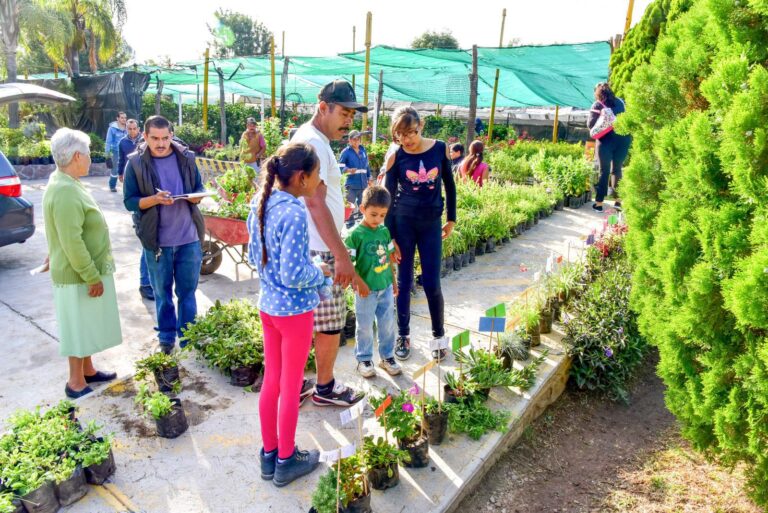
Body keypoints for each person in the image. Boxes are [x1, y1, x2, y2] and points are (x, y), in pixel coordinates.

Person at [247, 143, 327, 487]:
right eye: (317, 175)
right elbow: (294, 274)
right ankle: (286, 459)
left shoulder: (261, 203)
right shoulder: (293, 212)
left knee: (273, 382)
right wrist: (320, 272)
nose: (319, 181)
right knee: (291, 386)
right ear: (301, 177)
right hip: (294, 313)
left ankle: (269, 455)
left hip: (268, 306)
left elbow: (256, 257)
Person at [292, 80, 366, 407]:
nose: (349, 121)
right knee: (329, 323)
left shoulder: (314, 140)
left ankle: (296, 385)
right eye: (345, 113)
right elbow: (314, 203)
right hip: (319, 248)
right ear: (323, 107)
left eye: (353, 114)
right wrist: (341, 256)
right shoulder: (314, 143)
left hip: (312, 243)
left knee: (304, 321)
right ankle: (324, 388)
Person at [43, 128, 121, 398]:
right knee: (77, 326)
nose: (90, 159)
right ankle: (75, 381)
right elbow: (71, 241)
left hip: (80, 269)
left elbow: (60, 232)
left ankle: (88, 369)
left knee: (86, 322)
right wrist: (91, 276)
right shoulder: (64, 189)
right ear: (77, 156)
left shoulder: (67, 181)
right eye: (88, 154)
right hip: (76, 274)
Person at [123, 115, 205, 354]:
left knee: (187, 293)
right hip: (157, 242)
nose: (161, 144)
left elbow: (198, 188)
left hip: (188, 238)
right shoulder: (136, 164)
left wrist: (197, 196)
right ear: (145, 136)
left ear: (171, 135)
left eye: (165, 138)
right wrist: (154, 200)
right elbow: (129, 202)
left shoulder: (186, 158)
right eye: (155, 139)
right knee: (162, 294)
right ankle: (167, 338)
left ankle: (189, 339)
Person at [383, 107, 457, 362]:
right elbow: (387, 199)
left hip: (431, 225)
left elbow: (449, 183)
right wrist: (390, 236)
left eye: (411, 132)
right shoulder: (396, 156)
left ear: (421, 126)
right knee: (404, 284)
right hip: (403, 225)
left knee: (432, 283)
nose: (407, 140)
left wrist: (451, 218)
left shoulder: (439, 149)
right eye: (401, 135)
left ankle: (438, 336)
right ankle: (403, 335)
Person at [345, 186, 401, 378]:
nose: (377, 219)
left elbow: (389, 258)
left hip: (385, 288)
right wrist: (359, 282)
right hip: (365, 291)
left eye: (382, 215)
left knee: (387, 324)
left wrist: (393, 281)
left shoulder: (384, 232)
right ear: (362, 209)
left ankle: (387, 357)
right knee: (365, 326)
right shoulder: (354, 235)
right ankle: (364, 358)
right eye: (373, 214)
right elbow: (348, 264)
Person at [117, 119, 154, 301]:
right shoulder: (135, 158)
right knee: (147, 248)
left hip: (157, 213)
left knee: (152, 249)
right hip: (144, 214)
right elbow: (130, 201)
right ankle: (145, 284)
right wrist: (121, 173)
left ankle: (149, 283)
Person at [588, 82, 631, 212]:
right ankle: (618, 202)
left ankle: (599, 204)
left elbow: (590, 124)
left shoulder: (597, 104)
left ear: (597, 92)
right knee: (617, 170)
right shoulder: (621, 102)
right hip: (623, 139)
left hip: (605, 140)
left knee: (604, 171)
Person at [339, 130, 371, 212]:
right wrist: (348, 170)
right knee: (349, 209)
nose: (356, 141)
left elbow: (366, 166)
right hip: (351, 186)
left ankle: (362, 223)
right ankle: (350, 223)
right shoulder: (345, 152)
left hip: (363, 185)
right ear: (349, 140)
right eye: (354, 139)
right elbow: (340, 167)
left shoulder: (363, 151)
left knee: (364, 208)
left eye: (358, 139)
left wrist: (369, 178)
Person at [105, 111, 127, 192]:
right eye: (122, 118)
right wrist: (107, 156)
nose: (124, 119)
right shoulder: (112, 128)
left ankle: (127, 187)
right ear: (117, 118)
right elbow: (108, 142)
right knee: (115, 170)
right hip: (116, 152)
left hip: (127, 152)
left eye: (125, 118)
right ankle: (112, 186)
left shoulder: (128, 127)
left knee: (128, 169)